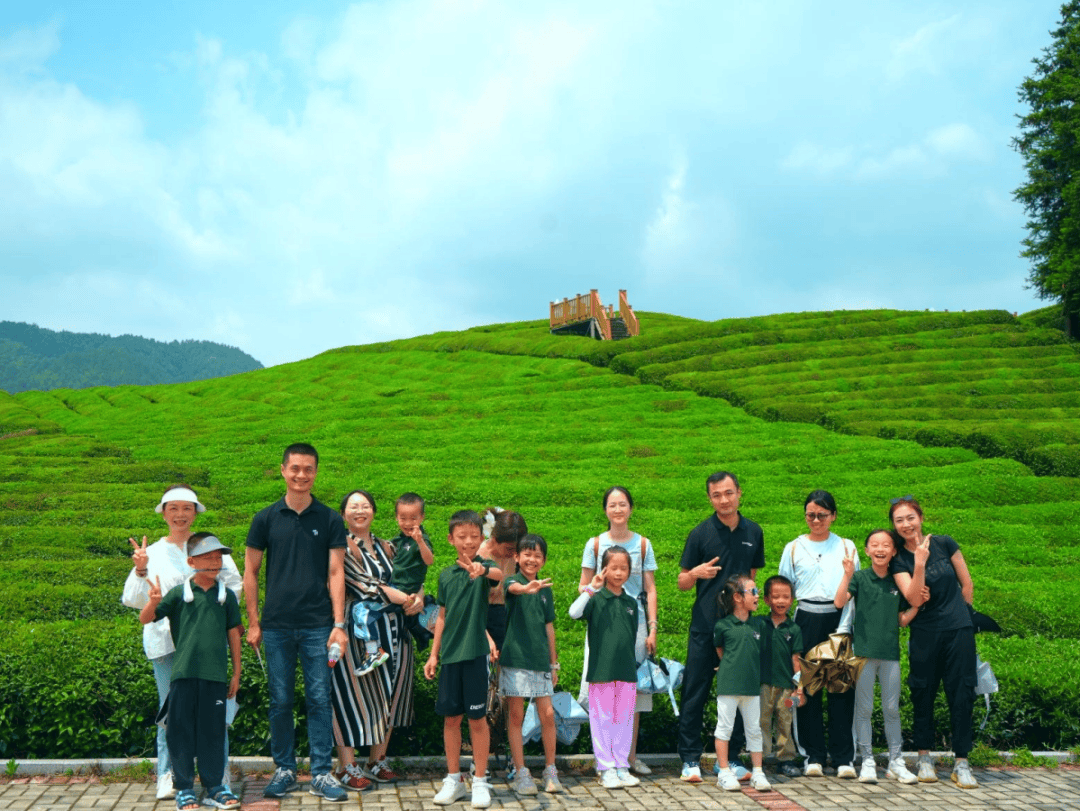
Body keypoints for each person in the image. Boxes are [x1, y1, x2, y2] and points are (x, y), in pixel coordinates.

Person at [122, 484, 242, 801]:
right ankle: (170, 775)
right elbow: (134, 601)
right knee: (171, 716)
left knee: (216, 716)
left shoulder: (208, 547)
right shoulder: (153, 553)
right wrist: (140, 568)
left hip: (205, 646)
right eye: (172, 508)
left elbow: (234, 589)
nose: (180, 514)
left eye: (186, 508)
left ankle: (219, 775)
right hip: (166, 647)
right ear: (163, 513)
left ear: (195, 512)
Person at [243, 443, 348, 803]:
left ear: (316, 472)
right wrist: (254, 622)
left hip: (319, 624)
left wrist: (339, 623)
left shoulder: (331, 518)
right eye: (295, 468)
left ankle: (321, 773)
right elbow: (251, 572)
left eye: (309, 469)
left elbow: (337, 572)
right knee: (280, 700)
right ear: (283, 470)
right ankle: (285, 769)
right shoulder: (265, 518)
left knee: (320, 698)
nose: (301, 475)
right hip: (276, 627)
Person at [140, 533, 242, 811]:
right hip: (183, 675)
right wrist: (152, 601)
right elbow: (146, 618)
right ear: (191, 561)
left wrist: (236, 672)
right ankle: (183, 788)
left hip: (216, 678)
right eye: (207, 557)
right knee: (180, 732)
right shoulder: (178, 594)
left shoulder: (227, 596)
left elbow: (234, 634)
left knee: (212, 732)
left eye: (218, 557)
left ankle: (214, 787)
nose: (214, 561)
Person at [677, 471, 765, 783]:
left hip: (739, 630)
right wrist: (696, 573)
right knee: (695, 692)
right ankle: (689, 759)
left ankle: (731, 759)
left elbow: (752, 576)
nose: (723, 500)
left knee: (738, 692)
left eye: (729, 493)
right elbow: (682, 582)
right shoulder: (700, 533)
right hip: (705, 625)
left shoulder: (753, 531)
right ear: (709, 498)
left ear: (739, 493)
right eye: (717, 495)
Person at [888, 496, 979, 790]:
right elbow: (913, 598)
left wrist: (961, 618)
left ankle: (962, 763)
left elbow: (967, 583)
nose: (905, 524)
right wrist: (920, 563)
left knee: (962, 694)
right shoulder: (898, 559)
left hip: (958, 631)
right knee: (922, 693)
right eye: (899, 520)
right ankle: (924, 758)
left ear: (920, 517)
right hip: (925, 634)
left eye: (910, 518)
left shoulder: (945, 543)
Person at [330, 490, 419, 791]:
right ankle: (346, 765)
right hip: (360, 632)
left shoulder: (388, 546)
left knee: (391, 692)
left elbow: (409, 576)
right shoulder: (339, 545)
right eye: (353, 506)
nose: (360, 510)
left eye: (365, 505)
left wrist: (416, 596)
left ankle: (376, 760)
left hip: (396, 629)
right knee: (352, 694)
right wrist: (401, 596)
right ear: (343, 513)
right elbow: (362, 582)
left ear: (374, 511)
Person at [424, 510, 505, 808]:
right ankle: (454, 779)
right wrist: (434, 654)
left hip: (474, 656)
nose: (468, 542)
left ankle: (481, 781)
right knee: (451, 719)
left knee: (477, 719)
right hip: (449, 658)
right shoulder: (446, 575)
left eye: (474, 536)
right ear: (451, 539)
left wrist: (482, 571)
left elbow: (497, 576)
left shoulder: (485, 568)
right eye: (462, 537)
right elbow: (442, 616)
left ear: (481, 538)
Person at [577, 486, 658, 775]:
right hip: (604, 620)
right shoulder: (596, 544)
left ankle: (628, 758)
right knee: (601, 692)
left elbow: (650, 589)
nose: (618, 510)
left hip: (633, 621)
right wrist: (595, 595)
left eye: (623, 504)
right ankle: (606, 761)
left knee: (630, 694)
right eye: (612, 505)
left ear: (631, 508)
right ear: (605, 510)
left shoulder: (643, 544)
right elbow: (583, 584)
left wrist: (652, 628)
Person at [778, 489, 858, 778]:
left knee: (841, 690)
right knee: (806, 689)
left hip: (838, 621)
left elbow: (853, 592)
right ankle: (812, 755)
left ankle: (843, 758)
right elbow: (784, 592)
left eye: (822, 515)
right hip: (805, 620)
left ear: (833, 516)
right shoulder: (794, 547)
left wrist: (845, 628)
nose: (816, 520)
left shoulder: (847, 547)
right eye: (811, 514)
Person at [834, 529, 920, 785]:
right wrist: (847, 574)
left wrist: (917, 605)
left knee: (892, 709)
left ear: (894, 550)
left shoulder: (898, 580)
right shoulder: (860, 578)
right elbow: (839, 602)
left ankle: (896, 762)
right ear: (867, 550)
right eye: (875, 545)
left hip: (890, 655)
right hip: (863, 655)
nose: (880, 549)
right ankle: (867, 761)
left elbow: (902, 621)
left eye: (886, 545)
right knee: (864, 709)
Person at [569, 546, 640, 790]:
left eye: (624, 568)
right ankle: (605, 767)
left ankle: (621, 765)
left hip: (627, 672)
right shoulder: (596, 599)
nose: (619, 573)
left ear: (630, 571)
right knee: (602, 719)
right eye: (614, 567)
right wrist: (591, 588)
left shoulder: (632, 603)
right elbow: (573, 612)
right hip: (601, 671)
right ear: (604, 569)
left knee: (624, 719)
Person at [500, 533, 563, 795]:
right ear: (516, 557)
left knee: (547, 715)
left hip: (540, 662)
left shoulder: (546, 589)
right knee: (515, 715)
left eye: (537, 555)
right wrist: (526, 589)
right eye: (527, 554)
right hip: (515, 659)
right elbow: (513, 590)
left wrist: (554, 662)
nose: (531, 559)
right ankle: (522, 772)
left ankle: (550, 770)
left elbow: (549, 627)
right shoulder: (512, 582)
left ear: (544, 560)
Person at [713, 574, 771, 793]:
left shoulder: (760, 624)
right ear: (737, 597)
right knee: (724, 728)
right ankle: (725, 772)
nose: (758, 596)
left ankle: (758, 772)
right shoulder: (723, 625)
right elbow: (721, 651)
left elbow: (761, 652)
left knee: (754, 729)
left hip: (751, 687)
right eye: (753, 592)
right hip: (728, 686)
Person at [758, 575, 804, 779]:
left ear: (792, 599)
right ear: (767, 599)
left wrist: (799, 688)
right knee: (761, 721)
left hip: (786, 686)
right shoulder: (758, 624)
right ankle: (758, 759)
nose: (781, 601)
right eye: (776, 596)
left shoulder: (794, 629)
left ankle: (785, 759)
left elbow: (797, 659)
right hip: (762, 685)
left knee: (785, 721)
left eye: (786, 596)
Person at [479, 509, 528, 652]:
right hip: (482, 620)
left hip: (508, 618)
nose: (513, 554)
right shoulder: (477, 558)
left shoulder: (517, 558)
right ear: (494, 540)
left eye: (517, 549)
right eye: (509, 548)